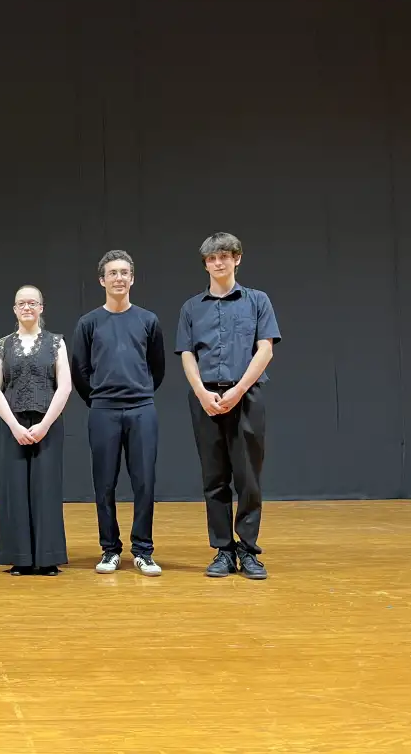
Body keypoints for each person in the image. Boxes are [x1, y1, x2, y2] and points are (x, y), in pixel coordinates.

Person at [176, 232, 281, 580]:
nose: (218, 262)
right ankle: (223, 549)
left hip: (246, 396)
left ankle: (248, 550)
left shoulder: (257, 301)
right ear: (205, 264)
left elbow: (265, 349)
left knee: (248, 478)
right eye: (211, 258)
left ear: (237, 259)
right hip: (206, 399)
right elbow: (187, 354)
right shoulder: (191, 308)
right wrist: (201, 392)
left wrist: (238, 390)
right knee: (214, 478)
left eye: (224, 256)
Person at [71, 250, 166, 576]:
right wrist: (99, 399)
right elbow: (79, 370)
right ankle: (110, 549)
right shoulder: (88, 323)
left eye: (124, 272)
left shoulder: (148, 320)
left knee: (145, 483)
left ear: (132, 278)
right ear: (102, 280)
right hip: (103, 411)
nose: (119, 278)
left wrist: (139, 392)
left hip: (142, 409)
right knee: (104, 484)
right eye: (112, 273)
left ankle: (143, 551)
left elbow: (157, 368)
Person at [0, 285, 72, 576]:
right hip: (13, 425)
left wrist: (45, 424)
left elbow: (64, 386)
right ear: (15, 309)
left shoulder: (56, 342)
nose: (27, 307)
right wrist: (14, 425)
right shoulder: (2, 345)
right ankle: (20, 557)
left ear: (41, 308)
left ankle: (47, 557)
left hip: (47, 423)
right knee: (14, 490)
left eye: (32, 303)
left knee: (46, 489)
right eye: (21, 303)